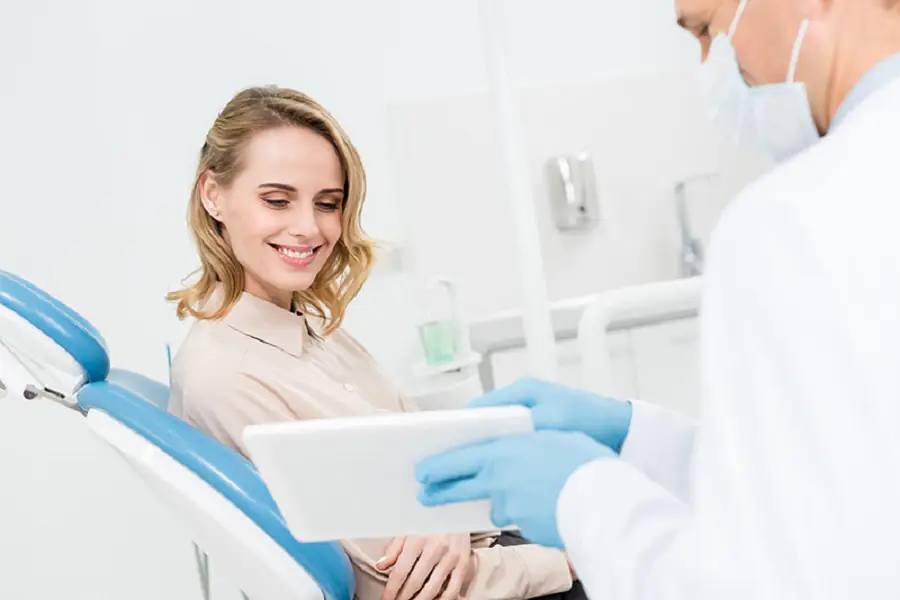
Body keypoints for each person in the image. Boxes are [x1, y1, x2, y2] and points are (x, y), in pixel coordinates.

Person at [415, 0, 900, 598]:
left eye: (707, 29)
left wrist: (582, 498)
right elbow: (844, 481)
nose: (709, 64)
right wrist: (637, 436)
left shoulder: (797, 218)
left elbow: (754, 583)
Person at [166, 86, 581, 600]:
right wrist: (570, 559)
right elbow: (394, 580)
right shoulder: (225, 379)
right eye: (277, 200)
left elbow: (429, 462)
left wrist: (450, 516)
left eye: (328, 204)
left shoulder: (317, 331)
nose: (308, 228)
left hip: (505, 550)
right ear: (213, 194)